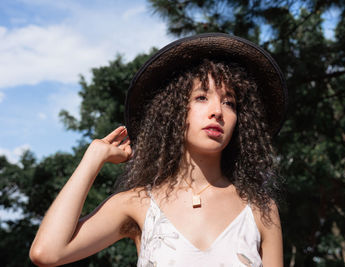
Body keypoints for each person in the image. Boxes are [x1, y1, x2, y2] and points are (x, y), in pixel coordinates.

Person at [30, 33, 288, 267]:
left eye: (229, 102)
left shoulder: (260, 208)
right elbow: (47, 253)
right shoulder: (138, 203)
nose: (217, 111)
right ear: (175, 112)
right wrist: (93, 158)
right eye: (201, 97)